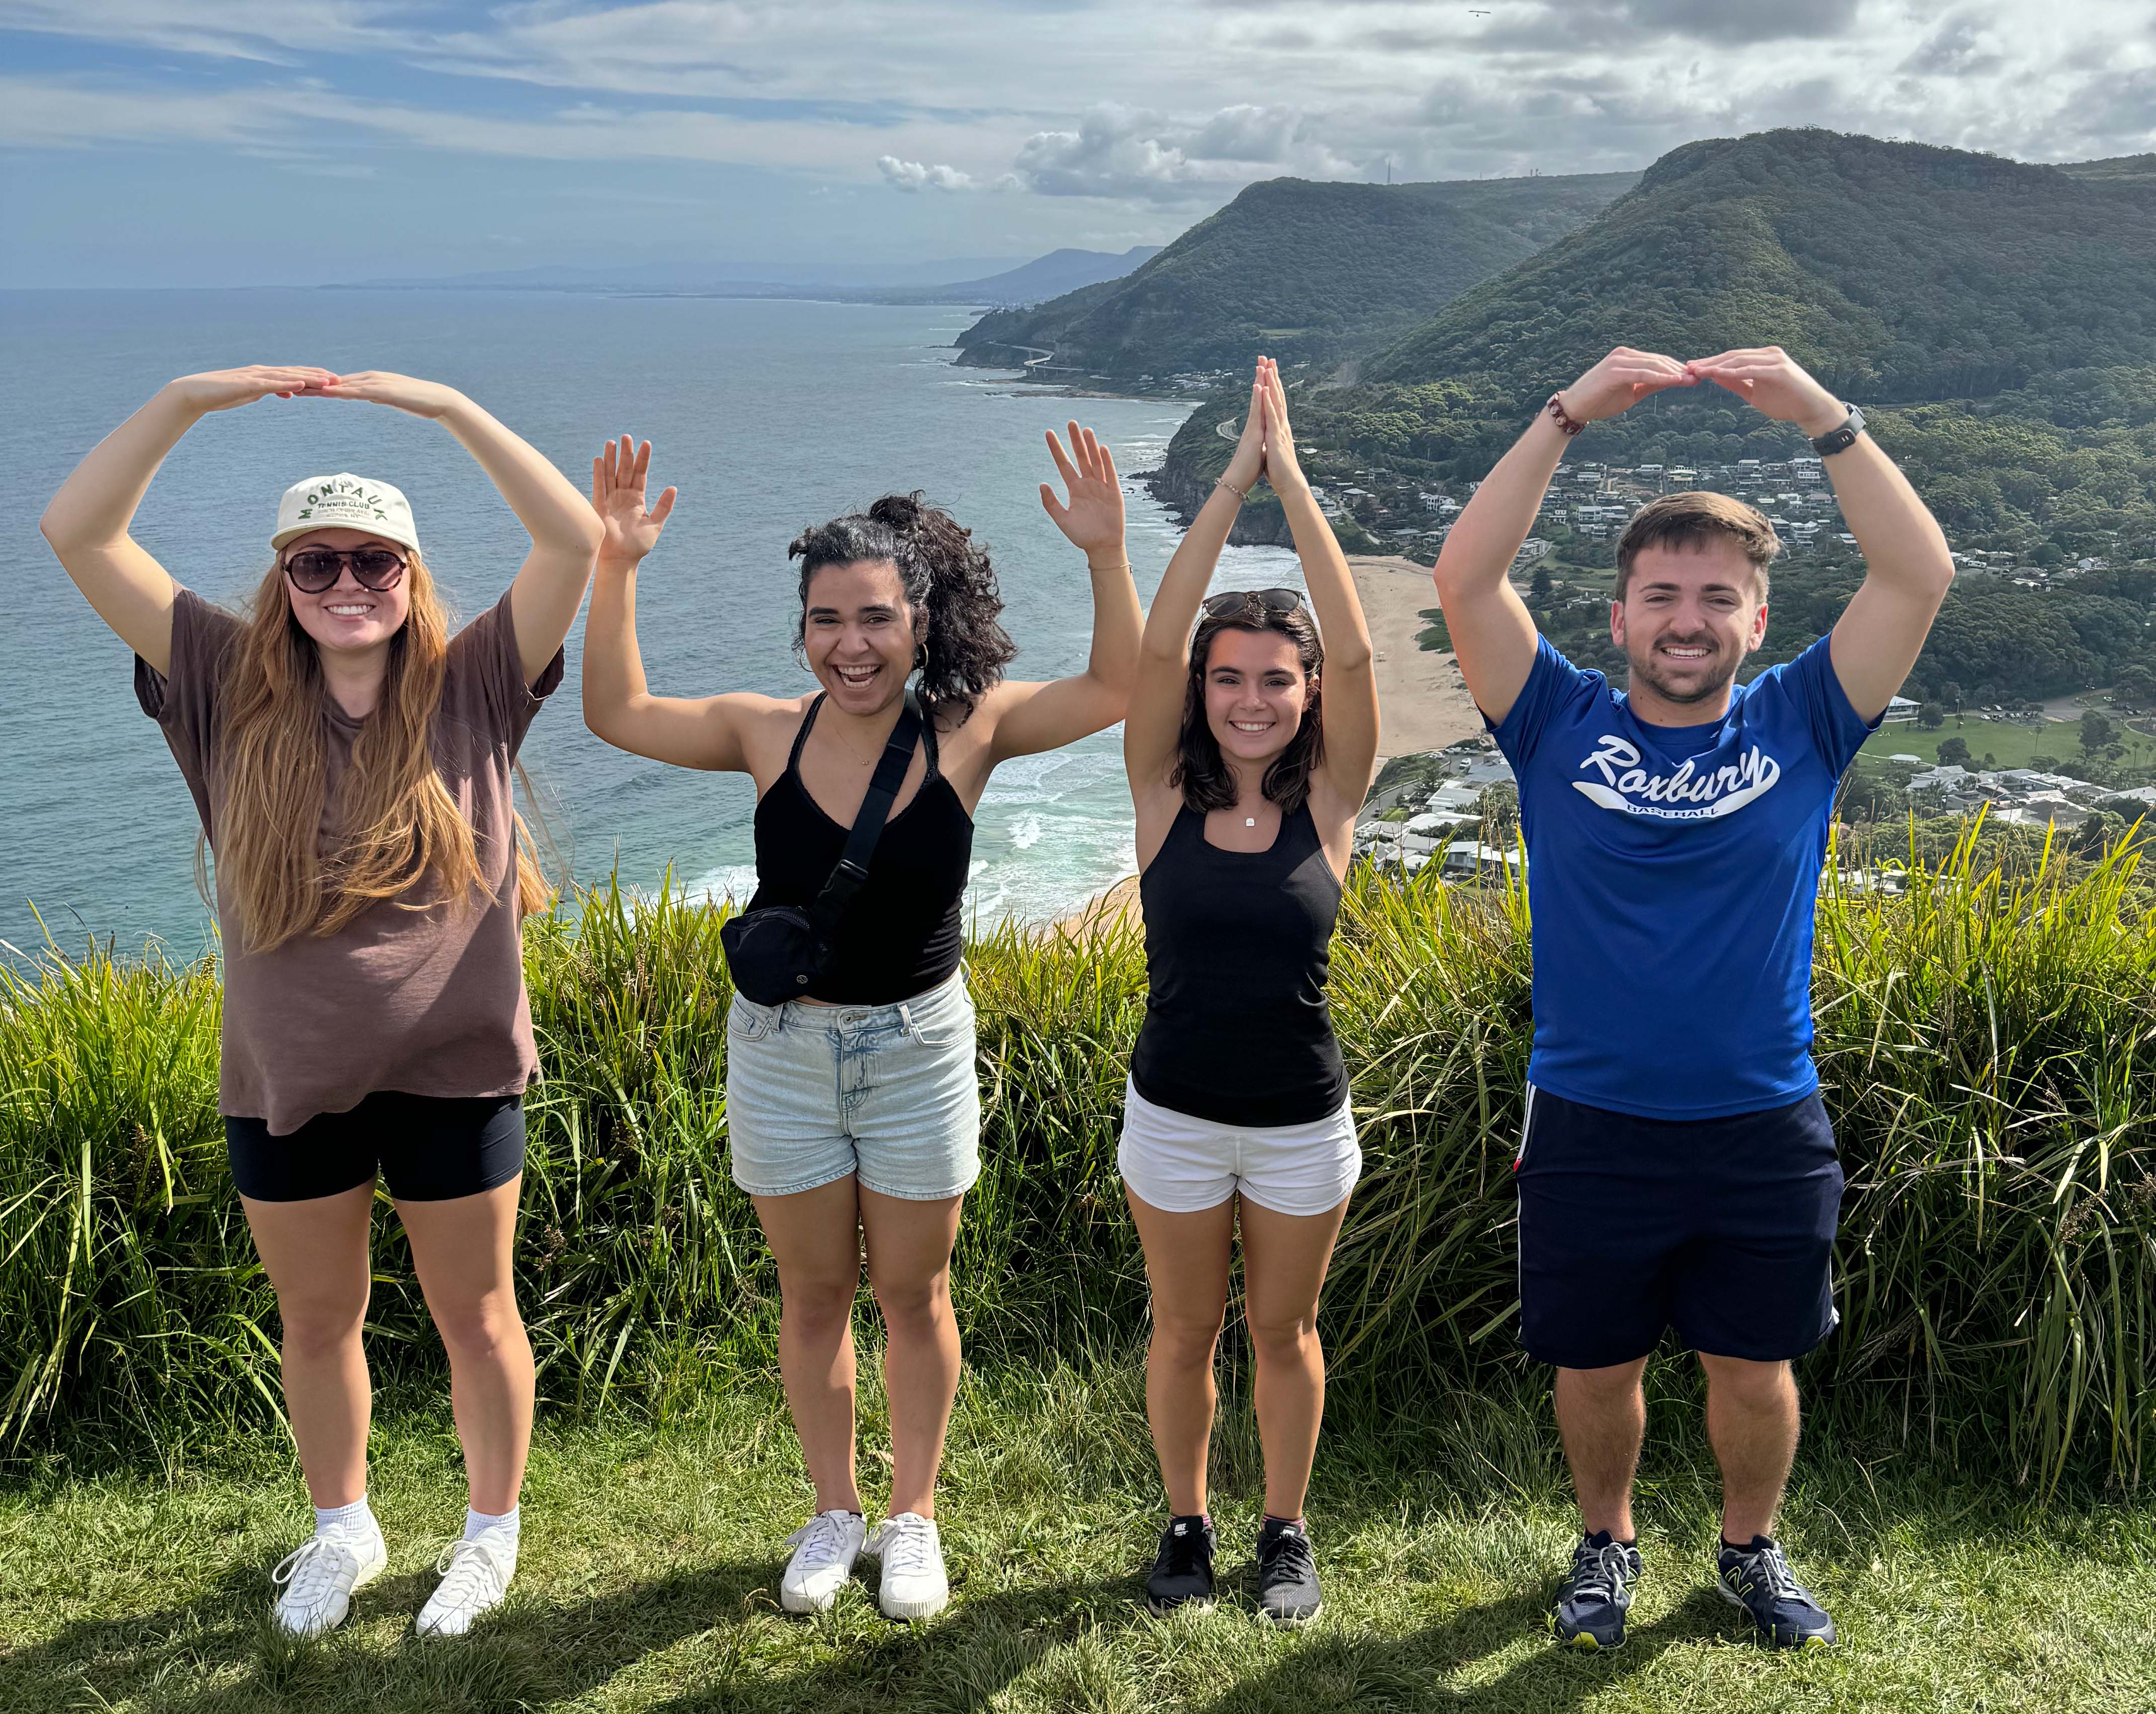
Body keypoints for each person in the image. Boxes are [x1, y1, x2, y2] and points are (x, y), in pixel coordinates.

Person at [38, 365, 605, 1639]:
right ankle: (345, 1523)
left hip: (457, 1069)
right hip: (287, 1077)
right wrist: (185, 399)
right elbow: (78, 530)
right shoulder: (220, 682)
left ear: (411, 577)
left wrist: (454, 410)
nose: (349, 586)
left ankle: (488, 1534)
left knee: (477, 1312)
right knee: (317, 1316)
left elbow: (574, 535)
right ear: (283, 582)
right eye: (318, 565)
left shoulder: (475, 683)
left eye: (376, 563)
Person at [1432, 346, 1954, 1651]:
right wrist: (1561, 413)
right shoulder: (1554, 721)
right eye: (1659, 593)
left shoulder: (1800, 720)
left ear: (1753, 620)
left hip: (1759, 1117)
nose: (1684, 616)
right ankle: (1603, 1541)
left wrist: (1826, 418)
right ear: (1616, 618)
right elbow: (1465, 577)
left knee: (1753, 1363)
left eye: (1714, 596)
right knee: (1592, 1365)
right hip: (1590, 1116)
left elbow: (1917, 571)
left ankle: (1746, 1544)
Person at [580, 426, 1140, 1620]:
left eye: (876, 617)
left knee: (916, 1292)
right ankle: (834, 1508)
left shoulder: (968, 729)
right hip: (782, 1052)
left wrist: (1106, 554)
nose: (852, 644)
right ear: (800, 629)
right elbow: (617, 711)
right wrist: (617, 563)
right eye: (828, 619)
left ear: (919, 620)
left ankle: (914, 1515)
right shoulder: (761, 731)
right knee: (813, 1292)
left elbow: (1118, 689)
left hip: (918, 1047)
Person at [1119, 359, 1379, 1626]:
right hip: (1172, 1111)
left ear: (1309, 692)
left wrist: (1301, 487)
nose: (1252, 699)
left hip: (1298, 1120)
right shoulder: (1161, 797)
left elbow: (1364, 639)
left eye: (1278, 679)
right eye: (1230, 680)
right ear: (1202, 692)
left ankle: (1285, 1527)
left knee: (1285, 1334)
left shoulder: (1329, 805)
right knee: (1184, 1333)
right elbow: (1159, 641)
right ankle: (1186, 1517)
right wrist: (1231, 483)